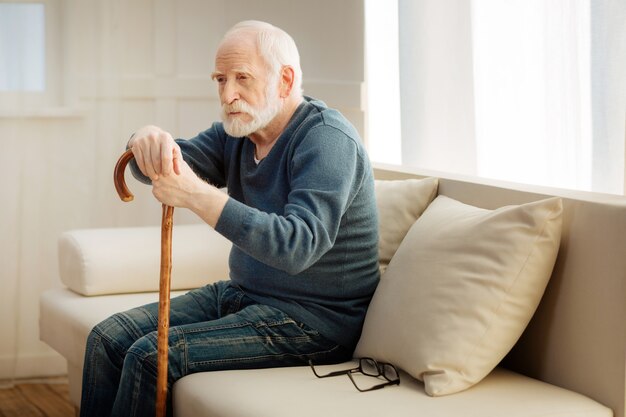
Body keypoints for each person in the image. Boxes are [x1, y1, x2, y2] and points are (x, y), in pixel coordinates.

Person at [80, 20, 380, 417]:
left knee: (150, 356)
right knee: (106, 338)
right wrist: (145, 139)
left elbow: (297, 247)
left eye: (242, 78)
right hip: (245, 295)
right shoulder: (241, 131)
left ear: (285, 81)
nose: (228, 94)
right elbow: (168, 163)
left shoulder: (327, 140)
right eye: (220, 79)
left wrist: (197, 195)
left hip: (314, 322)